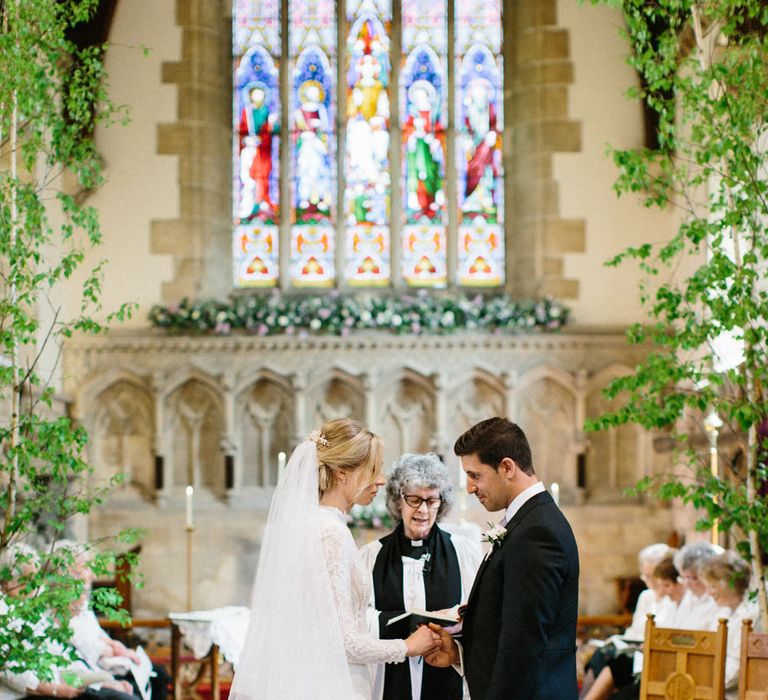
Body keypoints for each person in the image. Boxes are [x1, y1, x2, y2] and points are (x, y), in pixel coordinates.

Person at [229, 419, 440, 700]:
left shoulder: (312, 524)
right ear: (342, 473)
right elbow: (346, 641)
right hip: (333, 684)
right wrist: (408, 646)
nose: (380, 480)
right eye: (373, 469)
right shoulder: (330, 533)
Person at [425, 417, 580, 699]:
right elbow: (508, 625)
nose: (470, 488)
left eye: (475, 475)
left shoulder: (537, 531)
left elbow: (523, 644)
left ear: (507, 467)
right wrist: (461, 653)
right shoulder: (525, 521)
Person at [360, 453, 482, 700]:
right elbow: (359, 618)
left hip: (446, 670)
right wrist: (406, 623)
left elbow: (479, 612)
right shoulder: (370, 556)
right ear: (398, 500)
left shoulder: (463, 551)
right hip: (389, 676)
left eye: (432, 500)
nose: (423, 510)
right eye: (414, 499)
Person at [700, 551, 758, 699]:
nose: (710, 593)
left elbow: (737, 668)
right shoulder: (721, 612)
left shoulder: (751, 615)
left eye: (713, 587)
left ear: (732, 584)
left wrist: (706, 683)